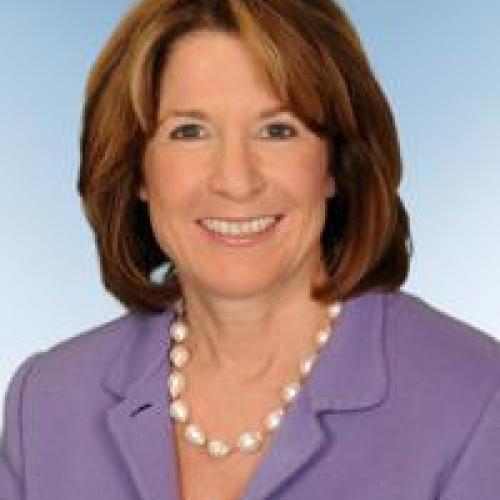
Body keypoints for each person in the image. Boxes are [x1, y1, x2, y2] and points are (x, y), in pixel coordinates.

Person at [1, 0, 499, 498]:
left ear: (335, 164)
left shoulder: (475, 399)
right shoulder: (46, 405)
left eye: (277, 130)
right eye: (189, 132)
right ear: (137, 172)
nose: (236, 181)